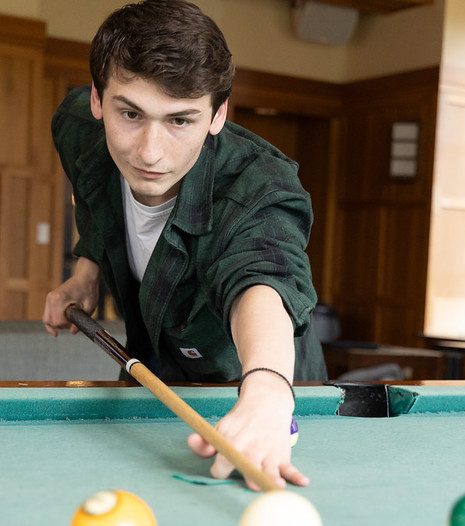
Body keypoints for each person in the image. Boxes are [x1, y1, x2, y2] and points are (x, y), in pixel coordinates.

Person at [43, 0, 326, 490]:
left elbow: (260, 279)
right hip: (152, 366)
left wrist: (266, 391)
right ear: (97, 100)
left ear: (218, 116)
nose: (150, 151)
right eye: (130, 113)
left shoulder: (258, 187)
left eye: (180, 121)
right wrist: (86, 272)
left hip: (257, 389)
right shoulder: (78, 129)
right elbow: (92, 194)